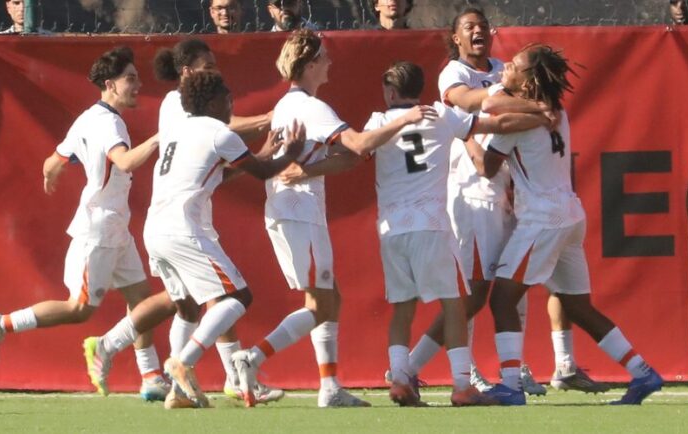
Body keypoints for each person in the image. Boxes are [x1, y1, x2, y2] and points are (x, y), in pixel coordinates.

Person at [399, 6, 596, 398]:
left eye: (483, 25)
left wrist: (534, 106)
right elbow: (472, 101)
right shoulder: (454, 73)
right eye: (469, 27)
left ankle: (518, 369)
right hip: (474, 195)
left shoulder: (505, 69)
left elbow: (518, 104)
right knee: (473, 293)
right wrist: (534, 107)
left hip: (510, 195)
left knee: (514, 289)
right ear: (455, 37)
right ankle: (422, 370)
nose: (478, 31)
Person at [230, 29, 429, 408]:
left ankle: (329, 386)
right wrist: (403, 120)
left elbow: (348, 156)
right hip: (298, 210)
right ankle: (253, 358)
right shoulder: (311, 107)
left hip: (292, 208)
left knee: (327, 297)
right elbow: (358, 144)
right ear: (308, 65)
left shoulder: (288, 104)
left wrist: (324, 164)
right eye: (323, 56)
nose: (330, 62)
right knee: (323, 303)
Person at [86, 70, 305, 409]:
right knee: (238, 297)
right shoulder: (219, 132)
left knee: (187, 304)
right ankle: (183, 362)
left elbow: (218, 174)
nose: (232, 106)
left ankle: (177, 391)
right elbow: (261, 172)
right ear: (213, 102)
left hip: (155, 230)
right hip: (183, 230)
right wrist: (292, 152)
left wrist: (264, 154)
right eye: (228, 99)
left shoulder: (179, 130)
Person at [0, 46, 168, 401]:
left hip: (116, 226)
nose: (138, 85)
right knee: (79, 310)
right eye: (130, 79)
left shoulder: (88, 117)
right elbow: (125, 162)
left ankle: (152, 376)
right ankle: (2, 323)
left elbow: (53, 161)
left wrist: (51, 173)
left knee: (142, 301)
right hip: (98, 229)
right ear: (110, 84)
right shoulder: (109, 123)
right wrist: (160, 138)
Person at [482, 44, 663, 406]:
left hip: (542, 220)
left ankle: (511, 386)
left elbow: (486, 167)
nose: (505, 69)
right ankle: (643, 372)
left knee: (501, 300)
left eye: (514, 66)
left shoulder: (514, 121)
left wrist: (468, 139)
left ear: (529, 82)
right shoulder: (557, 110)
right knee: (578, 306)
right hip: (569, 215)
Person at [346, 61, 501, 407]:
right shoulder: (441, 115)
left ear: (391, 92)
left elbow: (361, 147)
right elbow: (486, 124)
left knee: (402, 308)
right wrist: (533, 116)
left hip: (392, 229)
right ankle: (462, 385)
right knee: (454, 305)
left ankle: (401, 380)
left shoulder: (378, 120)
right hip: (431, 225)